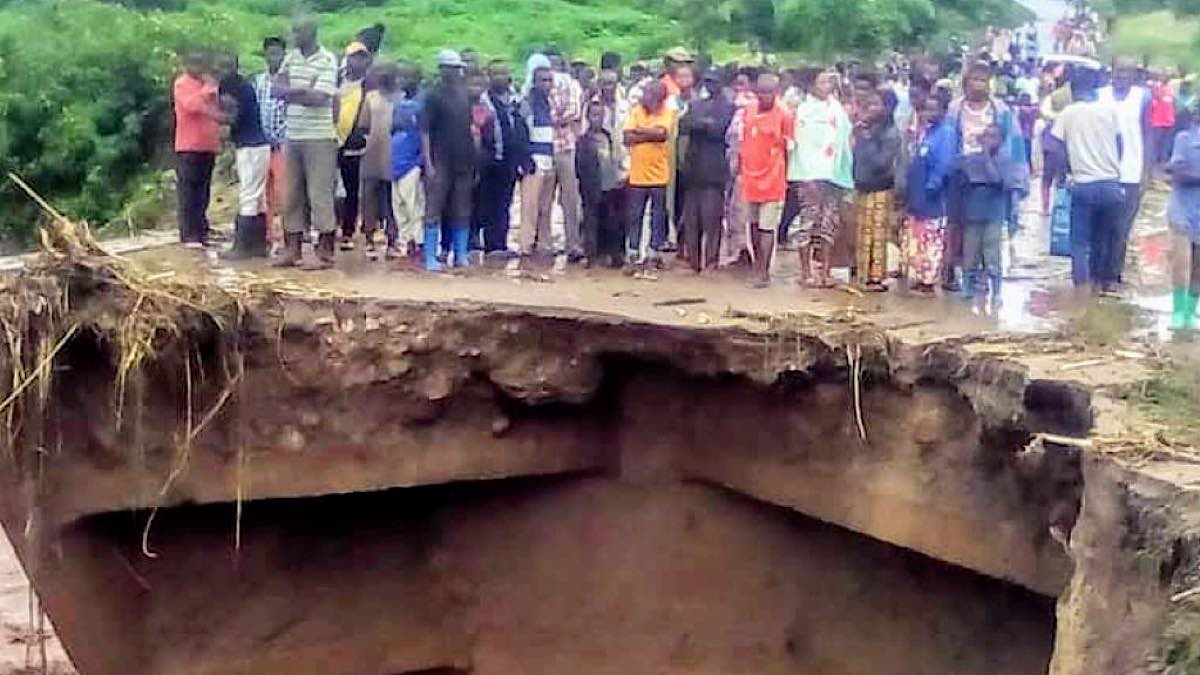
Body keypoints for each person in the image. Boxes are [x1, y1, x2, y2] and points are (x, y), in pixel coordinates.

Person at [273, 17, 340, 269]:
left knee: (319, 194)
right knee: (291, 194)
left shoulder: (327, 60)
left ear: (312, 33)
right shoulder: (291, 57)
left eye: (299, 31)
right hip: (294, 134)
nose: (295, 36)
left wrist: (291, 93)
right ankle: (293, 250)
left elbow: (320, 98)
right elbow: (275, 89)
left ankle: (325, 253)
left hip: (319, 136)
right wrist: (302, 92)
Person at [1051, 67, 1124, 291]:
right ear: (1095, 89)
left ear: (1073, 90)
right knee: (1102, 240)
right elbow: (1120, 145)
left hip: (1083, 184)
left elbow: (1056, 149)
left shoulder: (1068, 114)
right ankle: (1100, 286)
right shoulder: (1109, 111)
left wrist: (1062, 175)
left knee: (1079, 243)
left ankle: (1082, 291)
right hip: (1111, 184)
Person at [788, 70, 853, 288]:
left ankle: (824, 271)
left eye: (829, 81)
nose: (828, 85)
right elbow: (800, 146)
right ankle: (806, 272)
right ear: (811, 86)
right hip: (809, 176)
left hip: (833, 175)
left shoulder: (836, 109)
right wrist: (806, 179)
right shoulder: (803, 111)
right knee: (808, 222)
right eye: (823, 82)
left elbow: (844, 140)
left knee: (828, 223)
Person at [420, 50, 476, 270]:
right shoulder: (433, 95)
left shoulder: (464, 94)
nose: (455, 72)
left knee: (462, 207)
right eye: (451, 68)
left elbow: (470, 128)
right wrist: (428, 162)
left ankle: (460, 255)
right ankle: (430, 257)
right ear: (442, 70)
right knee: (434, 207)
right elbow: (424, 131)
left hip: (463, 158)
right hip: (440, 157)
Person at [1098, 59, 1151, 287]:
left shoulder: (1142, 98)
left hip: (1131, 170)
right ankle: (1099, 272)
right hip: (1102, 169)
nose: (1121, 76)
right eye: (1118, 71)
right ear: (1112, 72)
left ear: (1133, 76)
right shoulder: (1100, 96)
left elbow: (1148, 135)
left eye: (1127, 72)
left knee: (1122, 227)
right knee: (1102, 225)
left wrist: (1146, 171)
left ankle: (1113, 273)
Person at [737, 73, 792, 288]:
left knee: (767, 228)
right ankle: (756, 263)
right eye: (760, 92)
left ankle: (764, 271)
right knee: (752, 224)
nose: (763, 96)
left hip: (773, 179)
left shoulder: (785, 115)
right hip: (750, 177)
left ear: (776, 93)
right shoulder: (748, 110)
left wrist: (786, 177)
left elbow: (789, 149)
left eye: (768, 92)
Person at [678, 68, 735, 273]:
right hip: (693, 171)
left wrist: (701, 124)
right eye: (708, 81)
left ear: (722, 84)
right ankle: (694, 263)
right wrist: (704, 124)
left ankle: (711, 262)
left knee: (712, 220)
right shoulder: (695, 105)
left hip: (714, 172)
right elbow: (684, 124)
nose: (710, 85)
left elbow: (719, 130)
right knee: (692, 221)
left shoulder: (729, 107)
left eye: (714, 81)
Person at [216, 51, 271, 260]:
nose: (223, 70)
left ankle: (242, 247)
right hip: (258, 144)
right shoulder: (243, 85)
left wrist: (210, 114)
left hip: (250, 146)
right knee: (258, 197)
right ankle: (258, 246)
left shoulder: (232, 87)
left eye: (226, 65)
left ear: (234, 66)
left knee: (249, 195)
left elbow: (232, 117)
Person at [902, 96, 956, 294]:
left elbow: (945, 164)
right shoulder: (927, 132)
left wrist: (932, 186)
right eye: (926, 109)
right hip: (918, 192)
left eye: (934, 110)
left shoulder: (946, 133)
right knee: (919, 235)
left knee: (932, 237)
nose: (929, 114)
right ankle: (921, 276)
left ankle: (929, 280)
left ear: (943, 111)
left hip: (933, 195)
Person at [476, 60, 527, 256]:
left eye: (503, 73)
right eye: (495, 73)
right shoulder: (482, 101)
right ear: (488, 77)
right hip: (489, 160)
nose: (500, 77)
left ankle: (500, 244)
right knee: (488, 203)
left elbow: (523, 127)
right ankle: (490, 244)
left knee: (505, 204)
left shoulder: (516, 100)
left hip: (510, 160)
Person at [852, 89, 900, 292]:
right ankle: (864, 274)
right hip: (864, 186)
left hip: (879, 187)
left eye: (875, 104)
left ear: (887, 108)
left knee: (877, 235)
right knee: (864, 232)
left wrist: (866, 138)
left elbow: (881, 162)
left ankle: (875, 277)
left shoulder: (890, 133)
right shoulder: (870, 128)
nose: (870, 109)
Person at [173, 49, 222, 249]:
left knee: (203, 192)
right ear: (186, 64)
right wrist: (208, 89)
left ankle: (201, 231)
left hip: (207, 146)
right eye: (193, 62)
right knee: (188, 192)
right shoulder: (182, 83)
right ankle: (188, 234)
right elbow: (191, 105)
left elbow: (217, 108)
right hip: (188, 147)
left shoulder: (207, 85)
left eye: (201, 63)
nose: (198, 67)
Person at [624, 80, 676, 267]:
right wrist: (649, 133)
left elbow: (662, 134)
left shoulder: (667, 112)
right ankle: (633, 251)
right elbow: (627, 138)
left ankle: (654, 252)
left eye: (647, 94)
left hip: (659, 175)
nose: (643, 97)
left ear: (658, 97)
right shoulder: (637, 110)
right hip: (637, 175)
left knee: (657, 216)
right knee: (634, 215)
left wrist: (639, 132)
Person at [957, 124, 1009, 307]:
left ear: (1001, 141)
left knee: (992, 254)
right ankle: (968, 289)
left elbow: (997, 179)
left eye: (993, 137)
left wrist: (986, 156)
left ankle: (996, 293)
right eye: (985, 136)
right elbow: (957, 170)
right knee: (970, 253)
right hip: (973, 213)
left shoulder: (1005, 160)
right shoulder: (972, 159)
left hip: (993, 215)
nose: (988, 140)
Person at [545, 48, 585, 259]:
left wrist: (550, 118)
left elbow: (544, 112)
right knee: (568, 199)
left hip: (556, 146)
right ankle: (571, 244)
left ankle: (547, 242)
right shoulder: (572, 84)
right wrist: (560, 118)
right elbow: (573, 112)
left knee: (550, 199)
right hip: (564, 145)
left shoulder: (540, 82)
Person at [357, 62, 397, 260]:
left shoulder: (400, 99)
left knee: (392, 201)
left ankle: (392, 240)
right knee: (369, 199)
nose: (385, 76)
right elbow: (363, 126)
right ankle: (369, 239)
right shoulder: (370, 98)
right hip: (372, 154)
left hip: (395, 156)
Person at [336, 41, 373, 251]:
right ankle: (328, 229)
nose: (357, 61)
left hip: (355, 144)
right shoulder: (336, 81)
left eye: (361, 57)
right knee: (328, 189)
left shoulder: (369, 85)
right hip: (331, 140)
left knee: (352, 190)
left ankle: (348, 232)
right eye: (353, 57)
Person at [577, 101, 623, 266]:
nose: (597, 119)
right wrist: (584, 187)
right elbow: (580, 167)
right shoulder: (583, 140)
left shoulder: (608, 136)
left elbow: (613, 160)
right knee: (590, 221)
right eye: (594, 115)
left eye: (600, 115)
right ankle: (590, 256)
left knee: (612, 222)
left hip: (609, 187)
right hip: (591, 188)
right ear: (588, 117)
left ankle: (615, 256)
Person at [1166, 105, 1200, 330]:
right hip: (1182, 209)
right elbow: (1175, 172)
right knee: (1181, 263)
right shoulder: (1185, 139)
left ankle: (1190, 310)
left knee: (1199, 265)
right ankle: (1178, 312)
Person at [519, 61, 557, 257]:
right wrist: (527, 159)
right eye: (543, 80)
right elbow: (522, 133)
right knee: (530, 207)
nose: (547, 84)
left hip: (548, 159)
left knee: (545, 207)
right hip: (534, 160)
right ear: (534, 82)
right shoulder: (527, 103)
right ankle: (525, 245)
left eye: (550, 80)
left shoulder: (548, 103)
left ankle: (542, 244)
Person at [254, 36, 289, 249]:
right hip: (262, 145)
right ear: (265, 55)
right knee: (264, 193)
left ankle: (288, 236)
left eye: (278, 53)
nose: (274, 57)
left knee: (284, 192)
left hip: (283, 145)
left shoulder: (289, 81)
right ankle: (266, 236)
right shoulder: (259, 81)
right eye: (270, 53)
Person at [389, 62, 425, 261]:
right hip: (396, 161)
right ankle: (405, 241)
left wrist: (421, 162)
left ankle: (418, 242)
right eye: (401, 77)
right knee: (399, 205)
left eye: (408, 77)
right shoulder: (397, 103)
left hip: (412, 163)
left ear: (418, 80)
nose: (403, 81)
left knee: (414, 206)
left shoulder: (422, 104)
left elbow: (425, 135)